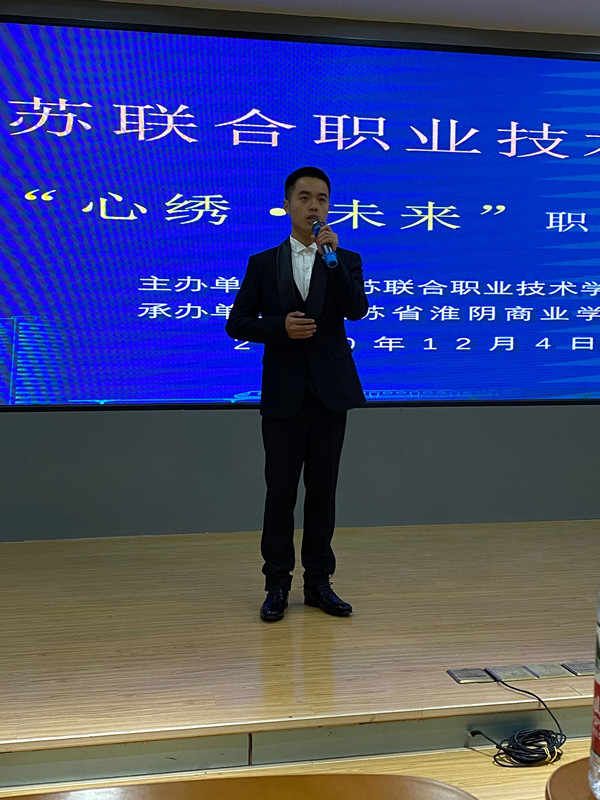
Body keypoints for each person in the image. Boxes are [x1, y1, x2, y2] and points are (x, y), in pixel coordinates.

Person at [225, 166, 368, 622]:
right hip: (283, 395)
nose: (314, 206)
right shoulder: (263, 263)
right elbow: (237, 322)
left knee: (323, 491)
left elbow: (357, 310)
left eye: (322, 199)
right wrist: (279, 328)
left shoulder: (344, 259)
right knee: (281, 492)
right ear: (287, 205)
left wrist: (333, 258)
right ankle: (277, 584)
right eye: (304, 197)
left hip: (329, 394)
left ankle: (319, 583)